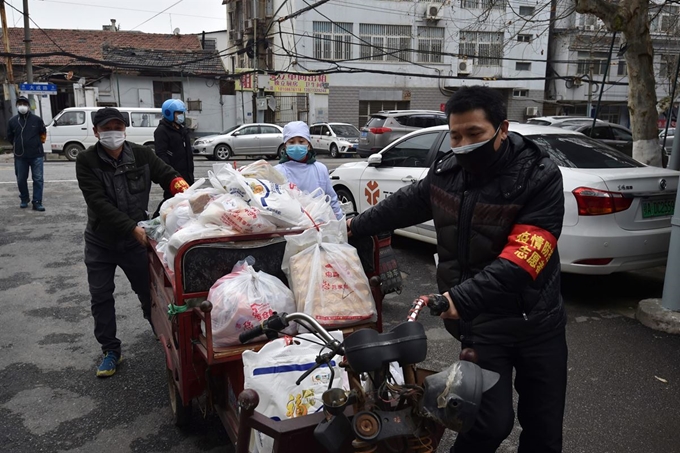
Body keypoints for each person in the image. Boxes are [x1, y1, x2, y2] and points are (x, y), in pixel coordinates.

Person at [348, 86, 567, 453]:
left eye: (474, 134)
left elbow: (523, 258)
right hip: (480, 326)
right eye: (455, 135)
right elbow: (404, 205)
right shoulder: (447, 172)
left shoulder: (539, 176)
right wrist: (353, 227)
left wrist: (459, 298)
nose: (463, 143)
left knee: (544, 431)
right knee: (486, 424)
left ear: (503, 129)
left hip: (537, 325)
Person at [75, 107, 190, 378]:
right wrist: (131, 229)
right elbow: (98, 203)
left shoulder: (141, 154)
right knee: (101, 296)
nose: (112, 132)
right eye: (106, 128)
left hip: (134, 241)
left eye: (117, 127)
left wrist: (182, 187)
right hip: (102, 241)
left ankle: (160, 332)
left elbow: (167, 174)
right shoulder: (86, 160)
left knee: (148, 292)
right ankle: (110, 350)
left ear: (124, 129)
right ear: (96, 132)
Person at [274, 121, 344, 220]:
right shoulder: (277, 172)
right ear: (285, 146)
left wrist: (340, 222)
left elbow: (332, 199)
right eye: (292, 142)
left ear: (309, 145)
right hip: (291, 228)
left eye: (301, 141)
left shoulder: (320, 169)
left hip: (320, 226)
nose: (297, 146)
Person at [153, 99, 194, 217]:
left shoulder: (182, 130)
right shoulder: (162, 131)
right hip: (173, 175)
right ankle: (156, 220)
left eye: (182, 113)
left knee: (185, 202)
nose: (181, 116)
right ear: (169, 113)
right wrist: (170, 174)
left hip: (187, 174)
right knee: (170, 201)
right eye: (178, 113)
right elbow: (161, 154)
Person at [6, 96, 47, 211]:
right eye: (20, 104)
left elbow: (43, 134)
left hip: (36, 155)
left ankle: (37, 201)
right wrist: (18, 145)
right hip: (20, 156)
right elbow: (10, 137)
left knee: (38, 179)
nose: (22, 106)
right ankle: (24, 198)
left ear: (28, 106)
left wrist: (36, 143)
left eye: (24, 103)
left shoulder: (37, 120)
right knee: (21, 179)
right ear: (17, 106)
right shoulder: (13, 121)